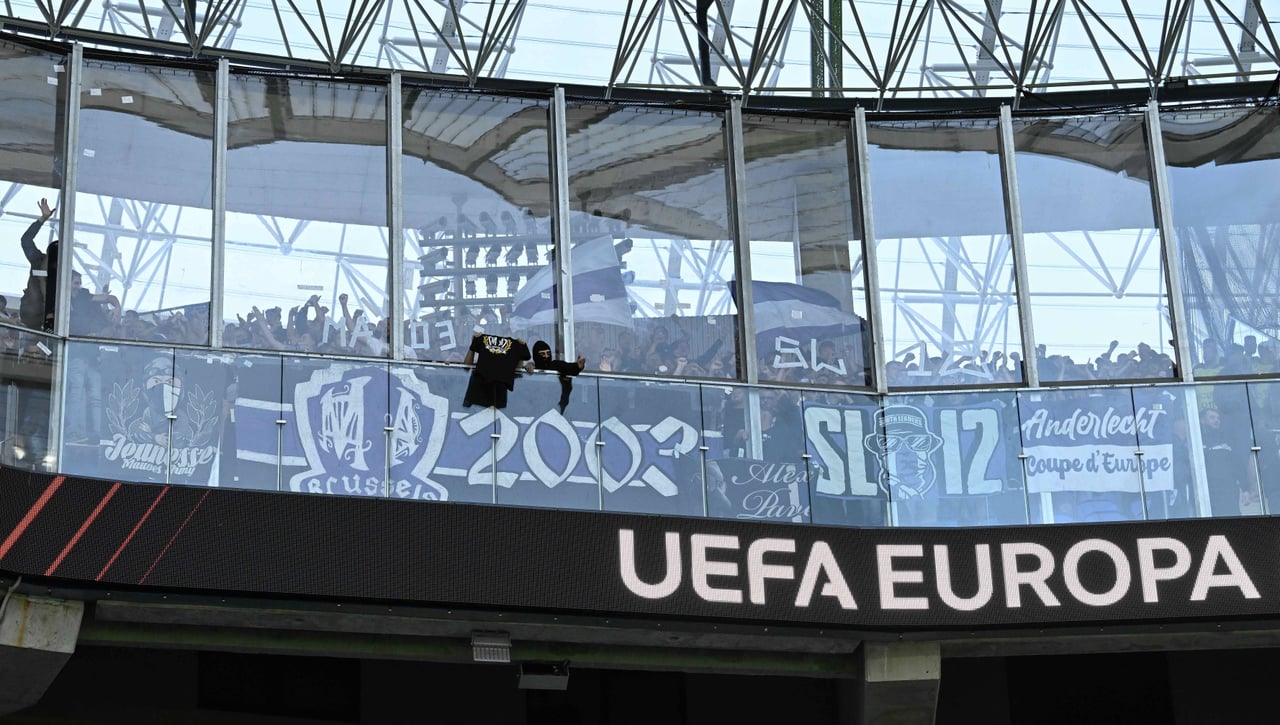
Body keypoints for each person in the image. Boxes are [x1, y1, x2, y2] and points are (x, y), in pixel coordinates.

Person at [462, 332, 530, 409]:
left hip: (496, 393)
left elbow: (517, 371)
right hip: (479, 391)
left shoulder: (514, 345)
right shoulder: (483, 340)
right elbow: (466, 366)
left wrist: (519, 350)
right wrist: (473, 344)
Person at [19, 198, 58, 331]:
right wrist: (43, 219)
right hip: (29, 315)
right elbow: (26, 240)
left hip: (49, 319)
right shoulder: (37, 260)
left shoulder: (63, 272)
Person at [528, 340, 586, 414]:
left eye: (548, 353)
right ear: (536, 355)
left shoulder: (555, 365)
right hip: (535, 406)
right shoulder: (532, 369)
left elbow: (567, 367)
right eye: (542, 354)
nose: (546, 356)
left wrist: (577, 366)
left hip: (556, 407)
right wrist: (527, 368)